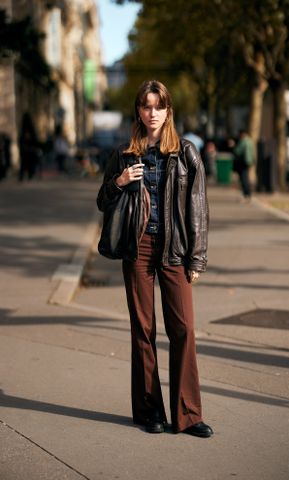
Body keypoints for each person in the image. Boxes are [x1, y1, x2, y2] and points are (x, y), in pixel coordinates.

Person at [97, 80, 213, 438]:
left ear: (167, 111)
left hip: (175, 250)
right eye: (146, 107)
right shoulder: (124, 154)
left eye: (158, 106)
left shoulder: (186, 153)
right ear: (138, 111)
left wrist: (197, 258)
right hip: (138, 248)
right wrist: (119, 181)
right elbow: (103, 200)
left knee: (183, 329)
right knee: (143, 331)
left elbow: (198, 208)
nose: (152, 113)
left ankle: (188, 415)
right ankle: (150, 412)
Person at [232, 130, 254, 200]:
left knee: (243, 178)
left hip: (243, 162)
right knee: (246, 178)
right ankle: (248, 193)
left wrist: (233, 146)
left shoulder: (243, 142)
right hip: (248, 161)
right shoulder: (250, 141)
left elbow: (238, 151)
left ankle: (246, 194)